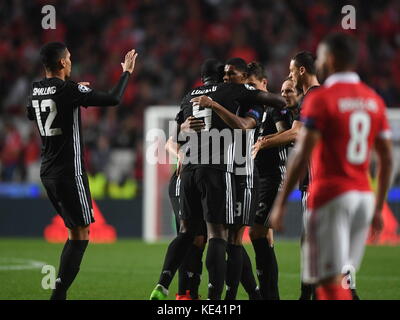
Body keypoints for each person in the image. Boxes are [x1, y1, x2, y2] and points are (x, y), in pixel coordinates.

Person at [270, 32, 393, 300]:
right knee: (343, 277)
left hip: (329, 196)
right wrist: (378, 205)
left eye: (323, 57)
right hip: (362, 197)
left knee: (327, 285)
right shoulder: (373, 99)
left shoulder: (320, 98)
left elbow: (302, 154)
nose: (320, 63)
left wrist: (280, 202)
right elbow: (386, 158)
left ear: (332, 58)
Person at [150, 58, 285, 300]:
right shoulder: (232, 93)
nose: (227, 79)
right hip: (224, 172)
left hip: (220, 172)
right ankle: (207, 296)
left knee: (203, 235)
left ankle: (175, 287)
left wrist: (182, 139)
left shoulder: (193, 95)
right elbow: (272, 105)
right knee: (219, 236)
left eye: (231, 75)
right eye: (224, 75)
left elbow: (250, 121)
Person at [27, 42, 137, 300]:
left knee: (74, 231)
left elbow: (33, 113)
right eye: (69, 57)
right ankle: (59, 294)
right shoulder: (69, 90)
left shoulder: (35, 89)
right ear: (63, 63)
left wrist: (76, 91)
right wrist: (127, 72)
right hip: (69, 170)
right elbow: (113, 98)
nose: (71, 60)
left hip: (48, 171)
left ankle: (59, 293)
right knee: (82, 234)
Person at [248, 66, 299, 300]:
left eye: (252, 85)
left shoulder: (275, 107)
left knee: (258, 232)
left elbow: (288, 134)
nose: (249, 89)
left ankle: (267, 294)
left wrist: (266, 141)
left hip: (274, 176)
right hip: (257, 177)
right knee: (263, 237)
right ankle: (270, 294)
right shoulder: (252, 110)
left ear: (264, 83)